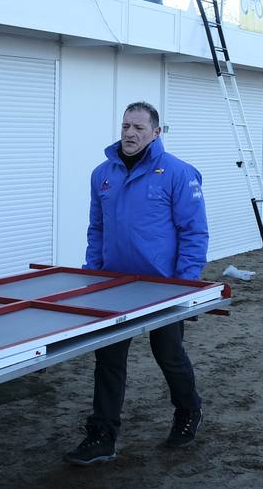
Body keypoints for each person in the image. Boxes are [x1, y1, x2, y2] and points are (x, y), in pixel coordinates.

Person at [64, 102, 209, 465]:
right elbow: (97, 230)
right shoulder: (102, 174)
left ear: (156, 133)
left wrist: (185, 286)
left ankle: (188, 411)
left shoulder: (178, 173)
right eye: (126, 125)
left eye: (139, 128)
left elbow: (194, 233)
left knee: (169, 355)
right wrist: (92, 276)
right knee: (108, 358)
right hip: (115, 286)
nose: (129, 133)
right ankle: (102, 436)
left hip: (163, 288)